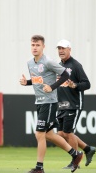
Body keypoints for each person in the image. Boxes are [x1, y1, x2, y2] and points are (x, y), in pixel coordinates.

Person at [20, 35, 83, 173]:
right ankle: (75, 154)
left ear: (43, 47)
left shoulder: (48, 61)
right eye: (33, 45)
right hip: (40, 102)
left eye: (37, 45)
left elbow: (66, 75)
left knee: (39, 134)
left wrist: (52, 87)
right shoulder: (30, 63)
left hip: (49, 102)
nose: (35, 47)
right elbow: (39, 79)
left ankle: (39, 168)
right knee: (49, 135)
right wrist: (27, 83)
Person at [55, 39, 96, 169]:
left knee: (68, 133)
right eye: (59, 48)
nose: (61, 51)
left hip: (74, 104)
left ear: (69, 49)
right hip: (62, 104)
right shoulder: (58, 66)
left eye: (63, 48)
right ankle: (87, 148)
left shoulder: (76, 65)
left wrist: (76, 85)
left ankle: (75, 162)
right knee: (60, 135)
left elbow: (87, 84)